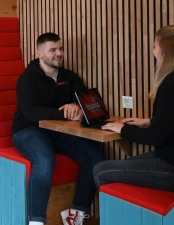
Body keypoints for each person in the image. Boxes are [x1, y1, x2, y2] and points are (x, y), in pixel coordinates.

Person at [93, 25, 174, 192]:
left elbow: (155, 138)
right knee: (114, 167)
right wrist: (147, 121)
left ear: (167, 50)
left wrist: (122, 129)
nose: (153, 51)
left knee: (101, 171)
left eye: (155, 46)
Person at [11, 32, 104, 225]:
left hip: (59, 132)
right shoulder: (27, 79)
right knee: (45, 160)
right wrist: (64, 113)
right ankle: (36, 222)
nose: (59, 53)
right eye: (52, 50)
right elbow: (31, 112)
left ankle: (75, 216)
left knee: (96, 159)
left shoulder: (69, 77)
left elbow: (86, 102)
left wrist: (77, 107)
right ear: (40, 53)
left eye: (60, 49)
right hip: (28, 131)